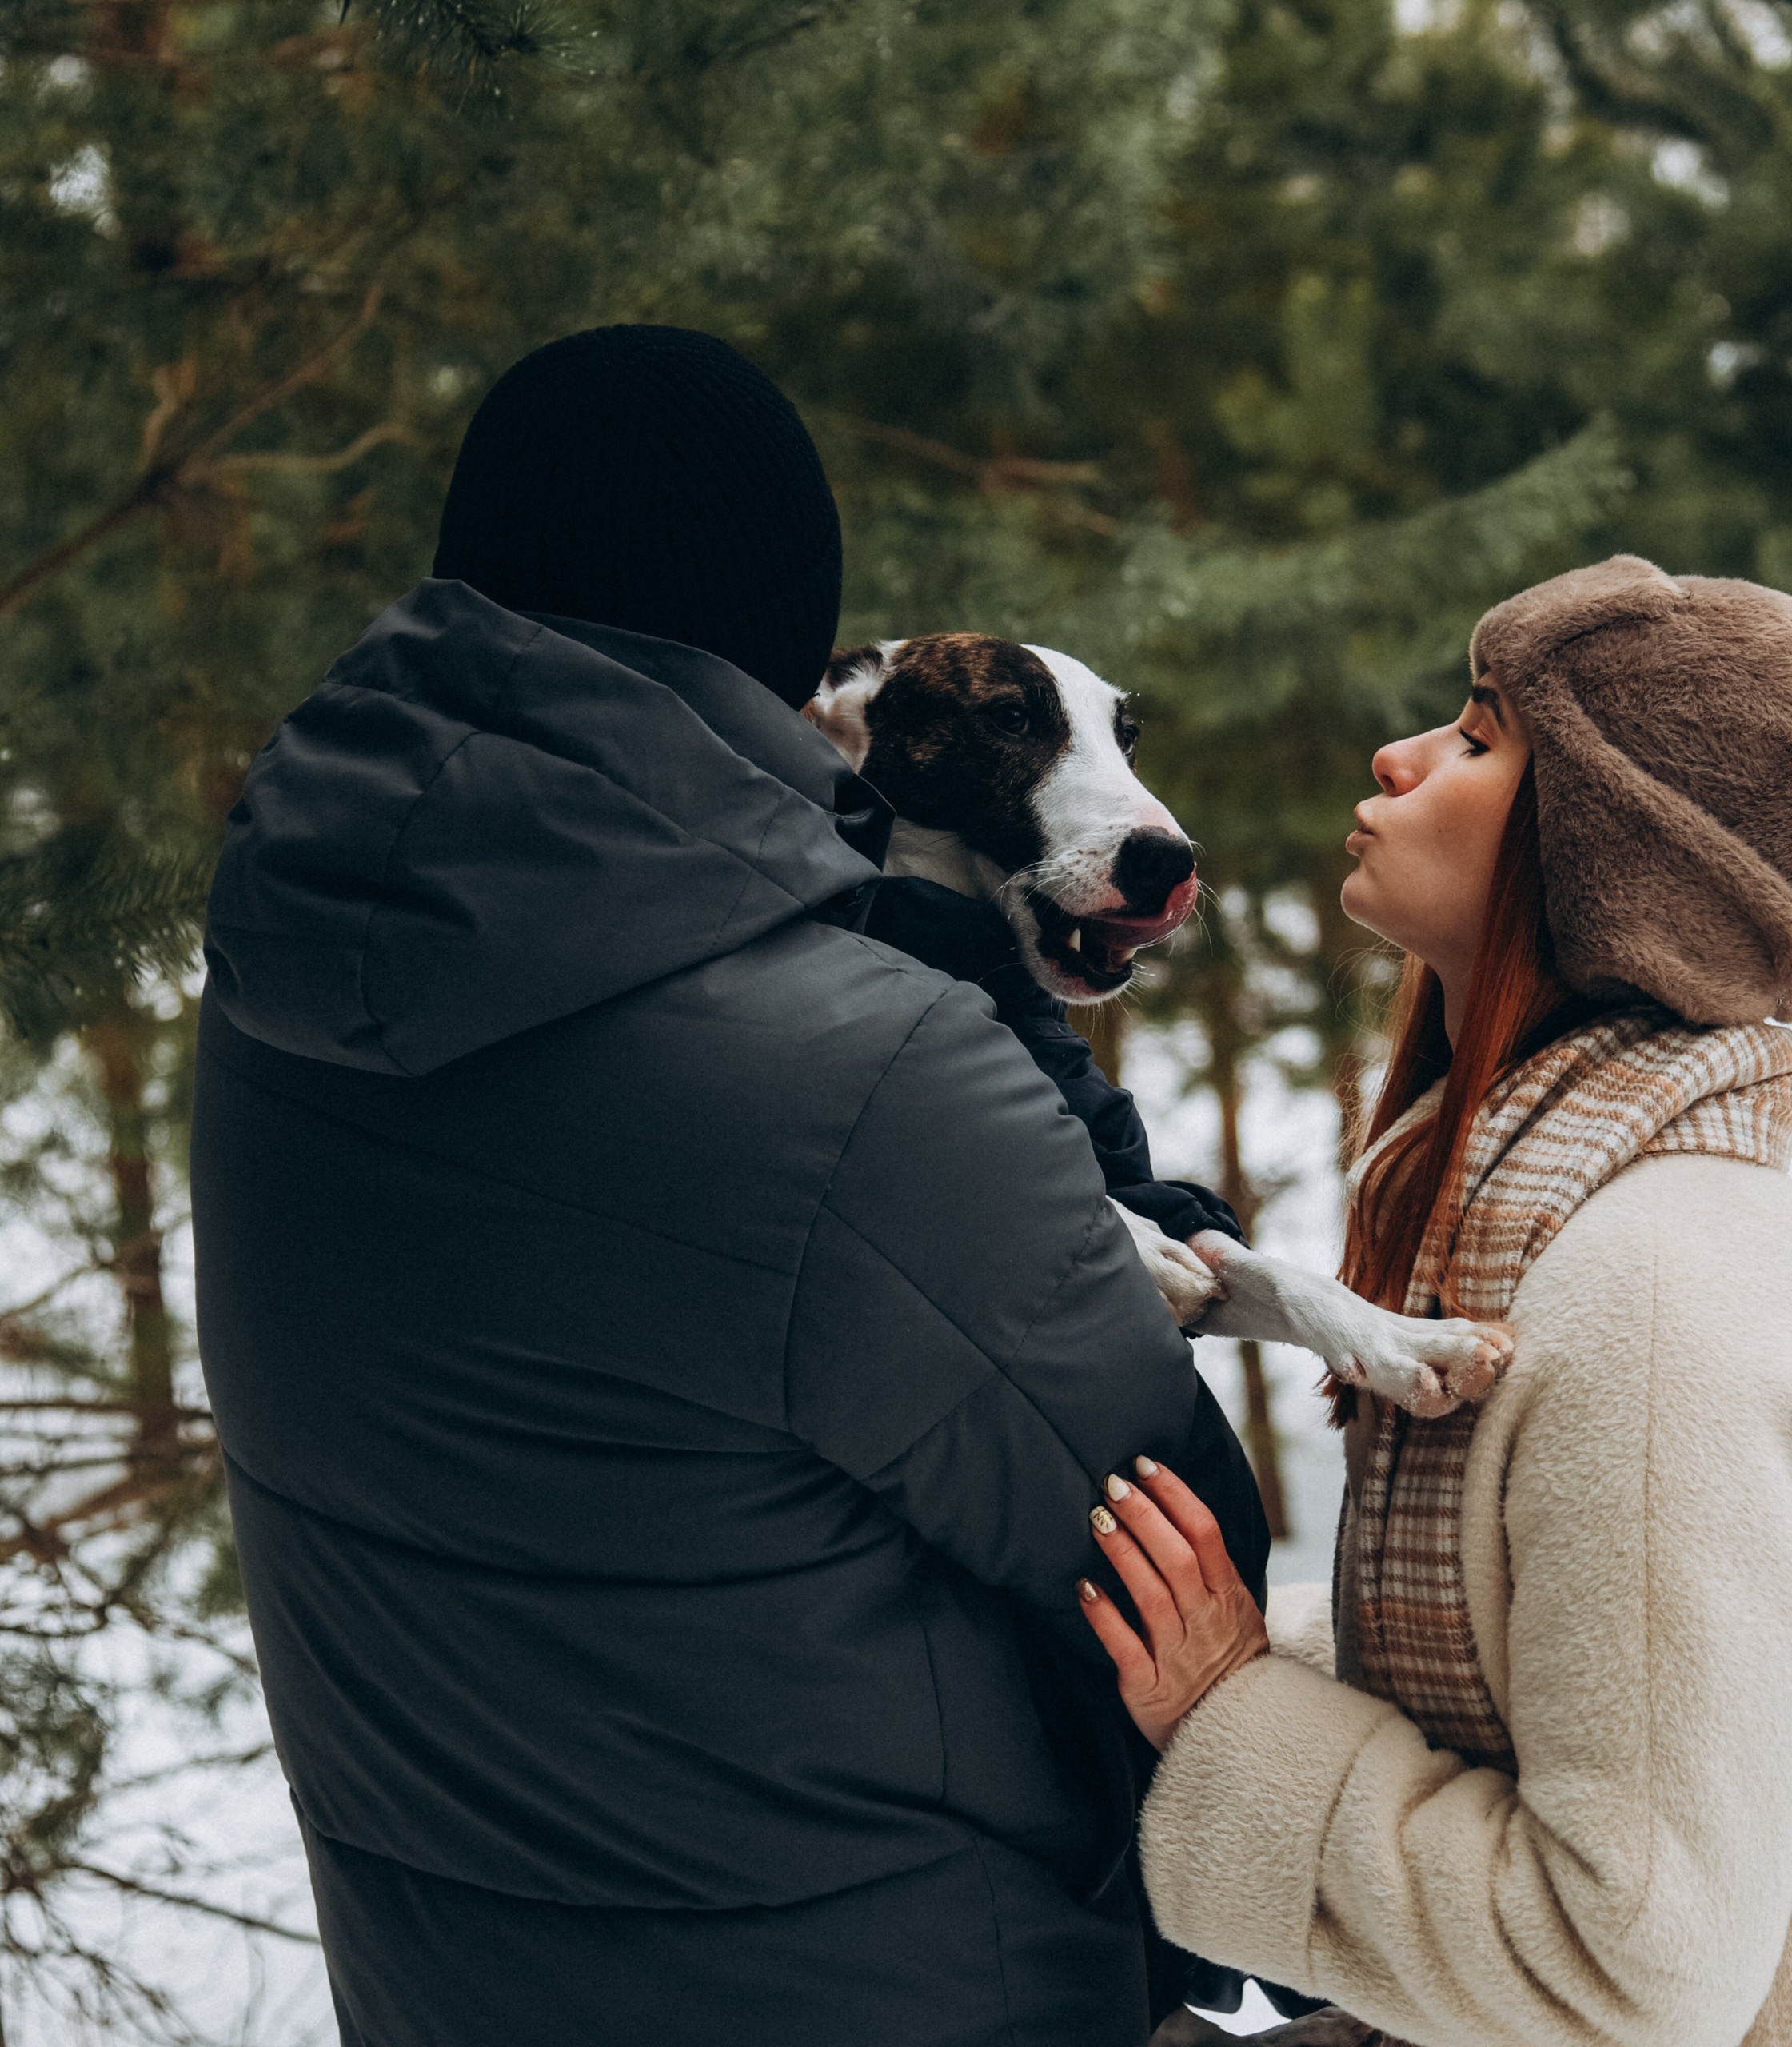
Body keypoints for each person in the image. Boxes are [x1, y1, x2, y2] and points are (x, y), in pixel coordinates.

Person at [190, 324, 1269, 2047]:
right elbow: (1162, 1561)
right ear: (792, 638)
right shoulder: (864, 1065)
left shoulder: (282, 972)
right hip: (910, 1984)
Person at [1076, 557, 1792, 2046]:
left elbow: (1623, 1974)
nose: (1397, 760)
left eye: (1477, 742)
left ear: (1608, 854)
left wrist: (1233, 1714)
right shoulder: (1566, 1229)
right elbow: (1551, 1696)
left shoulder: (1653, 1303)